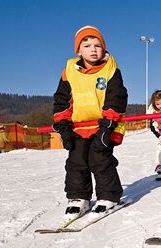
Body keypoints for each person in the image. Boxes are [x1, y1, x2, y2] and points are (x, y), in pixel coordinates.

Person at [53, 25, 128, 220]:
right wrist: (63, 126)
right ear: (78, 51)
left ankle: (108, 196)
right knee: (76, 162)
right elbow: (62, 100)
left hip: (104, 125)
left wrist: (107, 126)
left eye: (97, 45)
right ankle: (79, 198)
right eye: (87, 46)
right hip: (78, 127)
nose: (93, 49)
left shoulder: (111, 69)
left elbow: (116, 97)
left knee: (100, 159)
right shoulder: (69, 71)